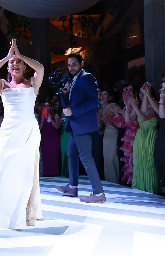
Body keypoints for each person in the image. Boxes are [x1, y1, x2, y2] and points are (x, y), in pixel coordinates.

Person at [0, 38, 44, 228]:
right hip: (9, 132)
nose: (15, 64)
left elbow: (41, 68)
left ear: (24, 67)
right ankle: (5, 211)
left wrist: (20, 55)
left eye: (19, 63)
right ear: (8, 68)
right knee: (5, 171)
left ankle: (27, 212)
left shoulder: (32, 83)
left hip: (28, 130)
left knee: (27, 172)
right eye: (13, 63)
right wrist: (8, 57)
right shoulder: (2, 85)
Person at [56, 53, 106, 203]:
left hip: (82, 126)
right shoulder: (74, 80)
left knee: (86, 157)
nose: (71, 68)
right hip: (75, 125)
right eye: (69, 65)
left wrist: (74, 112)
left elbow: (93, 102)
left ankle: (99, 194)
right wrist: (65, 94)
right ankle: (72, 187)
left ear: (82, 64)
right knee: (71, 153)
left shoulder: (87, 78)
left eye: (74, 65)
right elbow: (72, 103)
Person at [39, 102, 61, 177]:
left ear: (51, 107)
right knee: (45, 156)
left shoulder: (55, 115)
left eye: (48, 105)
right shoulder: (40, 116)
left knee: (53, 155)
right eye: (44, 105)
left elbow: (57, 127)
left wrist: (51, 119)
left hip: (53, 138)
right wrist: (42, 120)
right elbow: (39, 129)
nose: (46, 107)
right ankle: (45, 173)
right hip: (44, 138)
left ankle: (54, 173)